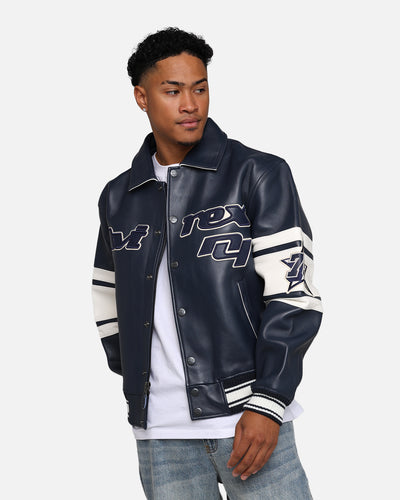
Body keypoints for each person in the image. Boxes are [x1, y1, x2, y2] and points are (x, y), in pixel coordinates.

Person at [92, 27, 322, 500]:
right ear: (141, 97)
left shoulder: (258, 174)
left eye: (199, 88)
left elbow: (294, 296)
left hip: (249, 419)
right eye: (172, 91)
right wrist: (140, 384)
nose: (190, 104)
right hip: (160, 434)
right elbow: (108, 301)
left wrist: (269, 401)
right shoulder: (118, 197)